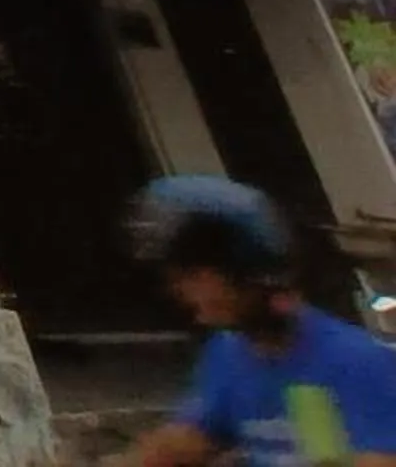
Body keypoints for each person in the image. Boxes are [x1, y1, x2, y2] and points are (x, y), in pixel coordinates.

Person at [115, 175, 396, 465]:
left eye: (193, 276)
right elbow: (185, 441)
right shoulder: (229, 352)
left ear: (248, 272)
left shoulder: (353, 361)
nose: (180, 291)